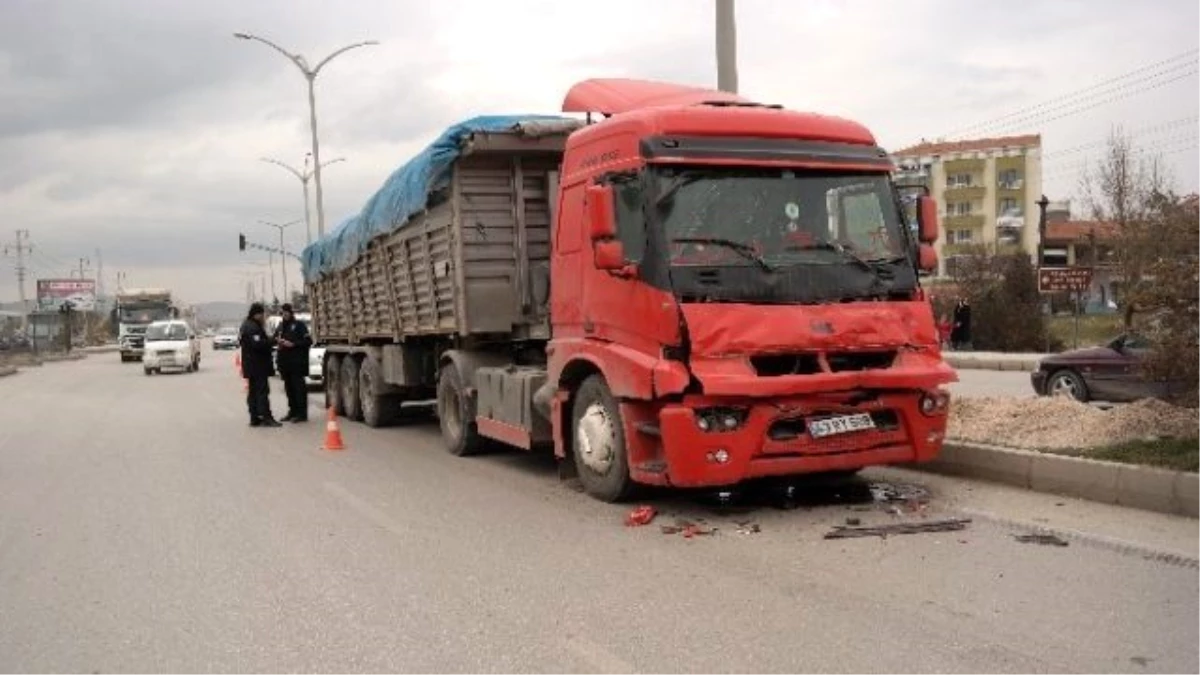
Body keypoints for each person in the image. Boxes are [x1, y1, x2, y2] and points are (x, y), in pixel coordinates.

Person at [240, 302, 280, 427]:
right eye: (262, 314)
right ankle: (266, 417)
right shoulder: (252, 327)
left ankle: (255, 417)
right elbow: (257, 344)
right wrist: (272, 341)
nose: (264, 317)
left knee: (253, 392)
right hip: (257, 365)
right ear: (257, 314)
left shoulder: (247, 325)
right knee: (262, 392)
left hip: (252, 365)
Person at [273, 303, 312, 423]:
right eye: (282, 313)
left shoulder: (299, 325)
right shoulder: (280, 326)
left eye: (286, 312)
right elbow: (274, 338)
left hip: (297, 363)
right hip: (285, 363)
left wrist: (293, 344)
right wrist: (278, 342)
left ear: (290, 312)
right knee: (289, 389)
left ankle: (301, 414)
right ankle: (292, 411)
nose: (284, 315)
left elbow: (308, 341)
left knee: (298, 389)